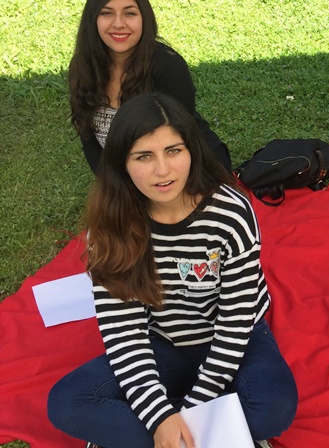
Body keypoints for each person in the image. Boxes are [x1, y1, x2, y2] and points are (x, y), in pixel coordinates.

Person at [48, 93, 297, 448]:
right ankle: (212, 433)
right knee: (67, 403)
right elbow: (125, 334)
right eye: (144, 156)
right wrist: (160, 416)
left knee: (274, 408)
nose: (162, 170)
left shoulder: (231, 212)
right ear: (121, 162)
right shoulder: (109, 228)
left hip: (233, 339)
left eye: (173, 151)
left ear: (191, 151)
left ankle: (150, 434)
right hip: (162, 340)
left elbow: (235, 323)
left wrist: (191, 409)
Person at [68, 0, 232, 174]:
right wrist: (111, 184)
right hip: (128, 177)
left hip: (190, 171)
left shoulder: (168, 66)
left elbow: (179, 141)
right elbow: (87, 133)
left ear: (144, 18)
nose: (118, 24)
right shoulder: (82, 66)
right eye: (106, 13)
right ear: (92, 20)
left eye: (130, 13)